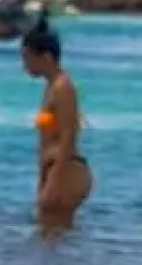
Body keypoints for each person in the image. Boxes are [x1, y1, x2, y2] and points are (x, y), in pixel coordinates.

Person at [20, 16, 92, 228]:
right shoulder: (51, 87)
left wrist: (54, 181)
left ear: (47, 57)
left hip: (66, 170)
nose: (25, 66)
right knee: (50, 240)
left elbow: (70, 135)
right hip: (55, 169)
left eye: (28, 59)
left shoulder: (63, 88)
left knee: (52, 234)